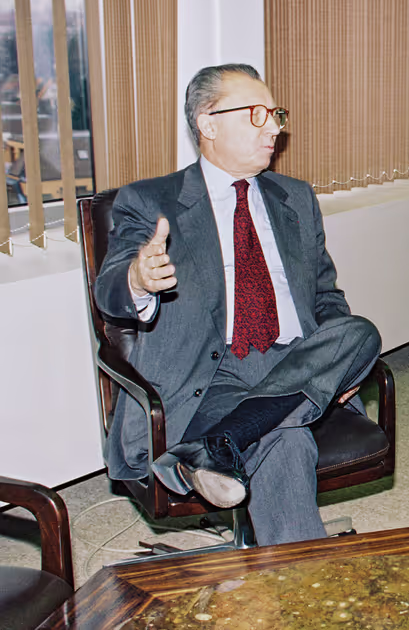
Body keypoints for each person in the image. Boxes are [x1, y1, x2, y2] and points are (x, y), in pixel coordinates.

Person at [95, 64, 381, 545]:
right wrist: (138, 278)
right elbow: (110, 290)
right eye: (257, 114)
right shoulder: (150, 200)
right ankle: (300, 595)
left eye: (275, 114)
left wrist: (338, 366)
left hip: (295, 359)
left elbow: (327, 296)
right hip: (211, 376)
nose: (274, 127)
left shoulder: (295, 197)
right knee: (284, 439)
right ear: (208, 125)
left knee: (362, 333)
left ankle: (214, 446)